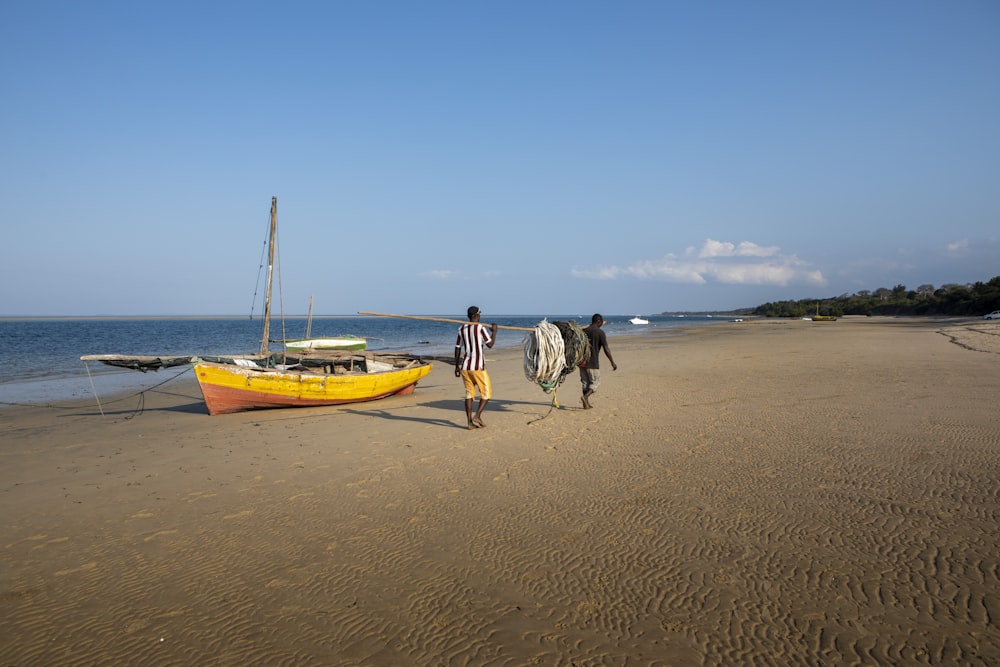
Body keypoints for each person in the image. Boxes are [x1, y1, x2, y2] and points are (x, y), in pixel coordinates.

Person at [455, 305, 498, 429]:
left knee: (469, 394)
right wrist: (494, 332)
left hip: (465, 367)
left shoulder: (461, 328)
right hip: (478, 367)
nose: (480, 317)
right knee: (487, 393)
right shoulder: (480, 328)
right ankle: (477, 415)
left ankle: (469, 423)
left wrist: (457, 366)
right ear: (476, 316)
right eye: (479, 315)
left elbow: (457, 349)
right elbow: (490, 344)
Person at [580, 313, 617, 409]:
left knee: (585, 383)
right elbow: (606, 349)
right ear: (599, 322)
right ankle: (585, 397)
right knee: (595, 382)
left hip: (582, 362)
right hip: (593, 362)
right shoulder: (600, 332)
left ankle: (586, 404)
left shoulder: (584, 331)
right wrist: (612, 362)